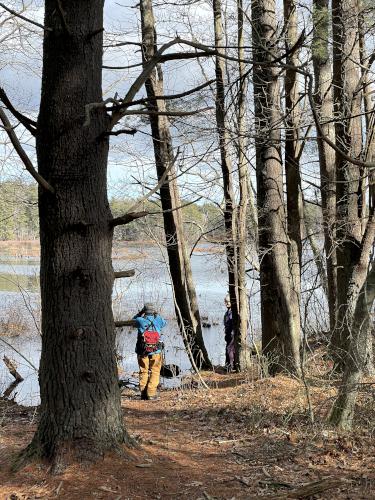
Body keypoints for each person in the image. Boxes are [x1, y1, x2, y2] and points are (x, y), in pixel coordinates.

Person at [133, 302, 167, 400]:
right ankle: (151, 394)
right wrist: (157, 314)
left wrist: (140, 313)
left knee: (143, 371)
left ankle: (143, 393)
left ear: (145, 310)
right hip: (156, 350)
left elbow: (133, 320)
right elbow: (164, 323)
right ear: (153, 311)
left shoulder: (140, 320)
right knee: (155, 371)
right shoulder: (159, 319)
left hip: (142, 351)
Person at [223, 294, 235, 370]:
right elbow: (226, 323)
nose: (226, 303)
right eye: (225, 302)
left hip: (232, 334)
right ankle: (227, 365)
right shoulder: (227, 312)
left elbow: (232, 324)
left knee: (230, 349)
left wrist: (231, 334)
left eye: (228, 302)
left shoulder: (232, 312)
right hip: (228, 334)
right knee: (227, 349)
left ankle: (230, 366)